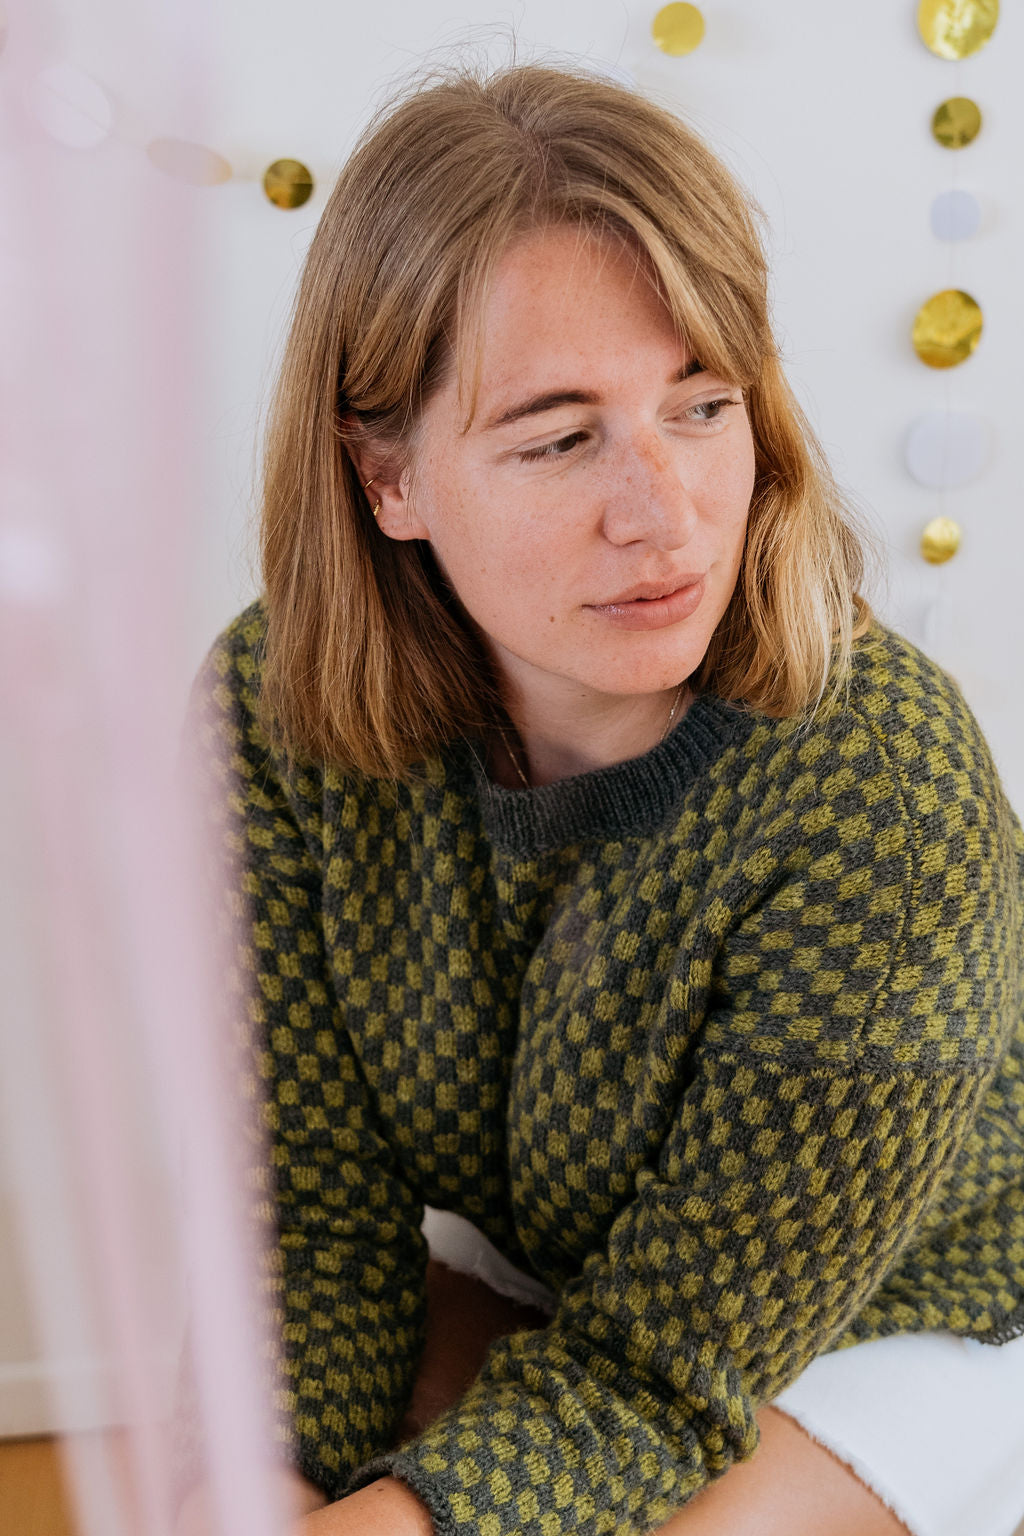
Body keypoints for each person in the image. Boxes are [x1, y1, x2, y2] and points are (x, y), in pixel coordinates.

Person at [175, 55, 1024, 1536]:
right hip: (591, 1278)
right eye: (561, 438)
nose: (663, 511)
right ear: (386, 479)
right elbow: (302, 1225)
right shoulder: (272, 712)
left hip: (936, 1300)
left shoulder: (879, 793)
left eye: (703, 407)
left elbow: (657, 1372)